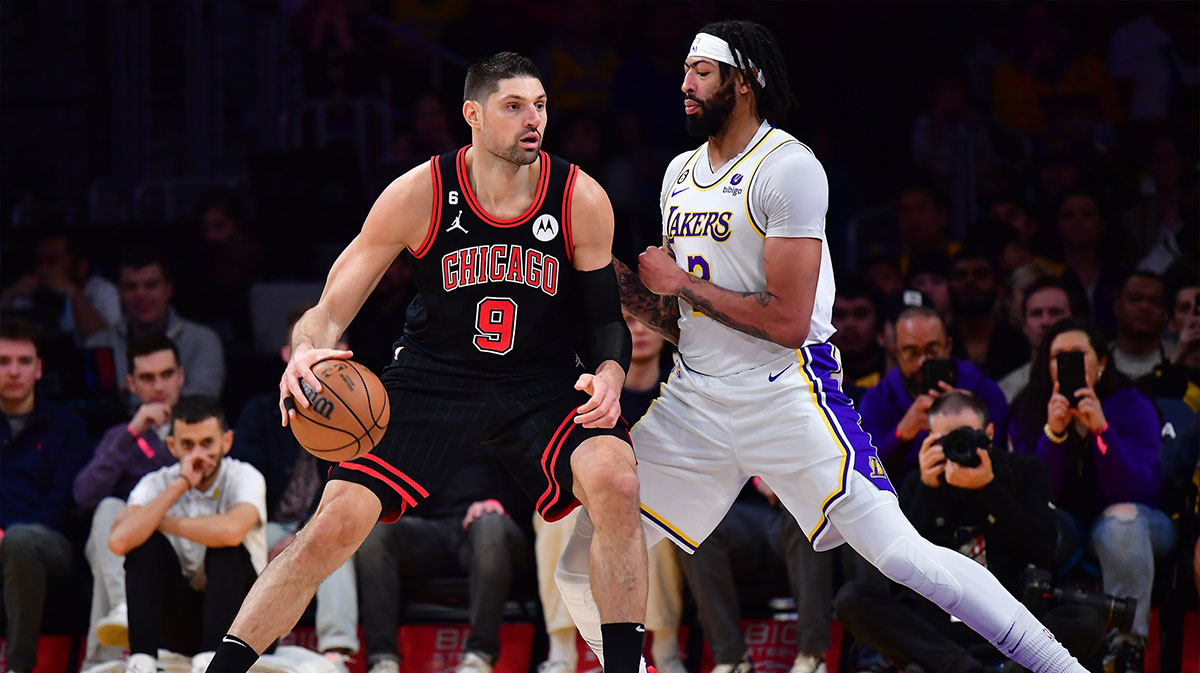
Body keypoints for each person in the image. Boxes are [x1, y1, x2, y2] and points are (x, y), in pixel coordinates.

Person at [564, 19, 1090, 673]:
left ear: (745, 82)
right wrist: (593, 267)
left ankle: (1063, 667)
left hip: (786, 391)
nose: (684, 83)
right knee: (582, 558)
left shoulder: (788, 169)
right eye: (684, 70)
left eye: (701, 71)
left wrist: (682, 284)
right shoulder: (679, 173)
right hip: (700, 396)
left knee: (902, 556)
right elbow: (683, 319)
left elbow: (786, 321)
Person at [203, 52, 648, 673]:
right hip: (434, 377)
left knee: (617, 479)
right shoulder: (421, 193)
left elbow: (605, 321)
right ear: (473, 114)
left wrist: (609, 374)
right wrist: (305, 349)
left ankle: (626, 667)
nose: (533, 120)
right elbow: (330, 308)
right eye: (514, 106)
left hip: (541, 380)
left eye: (540, 106)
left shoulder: (580, 197)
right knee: (333, 525)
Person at [836, 391, 1106, 673]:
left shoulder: (1024, 470)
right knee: (852, 599)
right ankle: (966, 668)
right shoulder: (919, 480)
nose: (957, 447)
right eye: (944, 441)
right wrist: (928, 492)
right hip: (938, 634)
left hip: (1015, 625)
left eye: (967, 436)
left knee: (1087, 619)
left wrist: (989, 488)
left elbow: (1044, 550)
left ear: (989, 433)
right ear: (928, 440)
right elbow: (899, 574)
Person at [1008, 318, 1173, 672]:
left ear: (1102, 362)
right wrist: (1054, 434)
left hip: (1138, 522)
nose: (1067, 363)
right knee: (1030, 525)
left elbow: (1135, 490)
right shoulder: (1028, 408)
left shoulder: (1132, 404)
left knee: (1121, 522)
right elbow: (1035, 495)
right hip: (1062, 524)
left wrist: (1101, 431)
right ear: (1045, 365)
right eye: (1057, 356)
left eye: (1078, 354)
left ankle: (1125, 651)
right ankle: (1023, 646)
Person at [534, 312, 685, 673]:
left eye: (646, 320)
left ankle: (665, 647)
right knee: (557, 516)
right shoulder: (584, 390)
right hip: (587, 497)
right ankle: (561, 650)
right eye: (627, 322)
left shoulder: (681, 390)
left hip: (660, 497)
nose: (638, 331)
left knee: (645, 515)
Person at [230, 306, 358, 667]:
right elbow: (246, 481)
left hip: (322, 518)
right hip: (267, 521)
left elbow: (353, 487)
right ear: (288, 355)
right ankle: (258, 646)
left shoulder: (360, 410)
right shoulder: (259, 412)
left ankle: (337, 653)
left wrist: (307, 531)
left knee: (333, 539)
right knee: (254, 540)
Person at [108, 395, 267, 673]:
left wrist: (157, 518)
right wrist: (181, 484)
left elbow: (231, 532)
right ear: (172, 446)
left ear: (226, 442)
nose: (198, 455)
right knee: (144, 546)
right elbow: (119, 540)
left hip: (249, 625)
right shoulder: (157, 482)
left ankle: (212, 660)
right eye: (187, 445)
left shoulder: (246, 476)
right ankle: (141, 661)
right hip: (185, 622)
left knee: (223, 546)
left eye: (207, 443)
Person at [356, 453, 532, 673]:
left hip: (497, 527)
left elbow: (532, 480)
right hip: (439, 531)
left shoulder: (504, 423)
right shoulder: (433, 428)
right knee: (377, 531)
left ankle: (480, 656)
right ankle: (383, 660)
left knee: (489, 526)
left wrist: (497, 503)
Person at [74, 335, 184, 666]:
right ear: (131, 384)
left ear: (181, 376)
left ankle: (100, 661)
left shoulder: (202, 426)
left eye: (166, 374)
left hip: (185, 536)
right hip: (129, 547)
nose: (159, 385)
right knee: (109, 509)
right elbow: (84, 496)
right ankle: (124, 608)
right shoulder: (120, 436)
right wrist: (133, 432)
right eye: (148, 378)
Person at [0, 319, 92, 673]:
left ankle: (18, 668)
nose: (13, 371)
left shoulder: (65, 425)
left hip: (48, 545)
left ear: (38, 369)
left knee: (21, 542)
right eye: (4, 361)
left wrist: (6, 537)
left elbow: (62, 502)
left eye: (23, 362)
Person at [677, 480, 832, 673]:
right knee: (695, 527)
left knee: (811, 522)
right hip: (736, 510)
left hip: (791, 507)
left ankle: (813, 654)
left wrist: (783, 480)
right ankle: (731, 658)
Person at [857, 306, 1008, 484]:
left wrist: (968, 414)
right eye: (911, 352)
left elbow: (1007, 463)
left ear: (948, 346)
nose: (923, 361)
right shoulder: (876, 400)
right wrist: (900, 435)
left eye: (933, 350)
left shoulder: (984, 391)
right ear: (896, 353)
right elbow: (863, 477)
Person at [86, 246, 226, 398]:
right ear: (119, 293)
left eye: (151, 285)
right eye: (131, 287)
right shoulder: (97, 344)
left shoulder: (202, 341)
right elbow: (91, 404)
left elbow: (202, 400)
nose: (140, 294)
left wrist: (129, 396)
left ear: (168, 290)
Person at [0, 229, 122, 342]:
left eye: (52, 261)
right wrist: (8, 295)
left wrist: (73, 293)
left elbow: (105, 342)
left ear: (81, 266)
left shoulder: (102, 290)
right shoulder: (30, 292)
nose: (43, 269)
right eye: (39, 262)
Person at [947, 246, 1028, 380]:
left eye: (980, 274)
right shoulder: (939, 345)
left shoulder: (1019, 344)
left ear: (999, 286)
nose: (970, 281)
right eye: (960, 275)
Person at [997, 276, 1080, 402]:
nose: (1046, 322)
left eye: (1055, 312)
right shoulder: (1006, 391)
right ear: (1024, 325)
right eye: (1036, 314)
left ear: (1073, 320)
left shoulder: (1096, 380)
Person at [829, 277, 886, 403]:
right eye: (840, 315)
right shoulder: (814, 376)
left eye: (860, 314)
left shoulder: (894, 380)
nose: (850, 324)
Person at [1109, 271, 1169, 380]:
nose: (1145, 307)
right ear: (1117, 307)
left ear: (1165, 312)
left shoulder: (1179, 359)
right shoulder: (1098, 358)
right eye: (1135, 299)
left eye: (1154, 302)